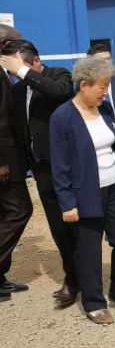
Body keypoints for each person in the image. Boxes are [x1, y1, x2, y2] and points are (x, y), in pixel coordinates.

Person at [49, 56, 115, 324]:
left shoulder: (107, 108)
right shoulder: (62, 117)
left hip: (113, 189)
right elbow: (60, 165)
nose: (105, 92)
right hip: (84, 193)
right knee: (89, 251)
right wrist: (67, 203)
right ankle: (94, 302)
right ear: (84, 85)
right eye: (101, 86)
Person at [1, 39, 75, 307]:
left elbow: (60, 92)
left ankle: (80, 278)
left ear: (35, 61)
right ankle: (72, 276)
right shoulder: (18, 91)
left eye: (16, 66)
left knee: (75, 225)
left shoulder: (59, 76)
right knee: (57, 227)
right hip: (42, 168)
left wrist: (23, 71)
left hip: (67, 168)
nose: (13, 72)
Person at [0, 25, 32, 303]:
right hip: (4, 161)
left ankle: (0, 280)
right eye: (16, 44)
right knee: (20, 210)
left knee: (3, 215)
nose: (20, 49)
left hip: (11, 157)